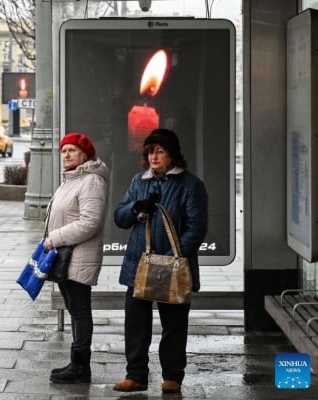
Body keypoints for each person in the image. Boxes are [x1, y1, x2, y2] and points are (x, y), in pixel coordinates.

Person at [112, 128, 208, 394]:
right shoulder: (138, 181)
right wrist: (135, 207)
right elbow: (119, 218)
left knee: (174, 324)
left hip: (172, 267)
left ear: (173, 155)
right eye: (150, 151)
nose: (154, 156)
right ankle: (136, 375)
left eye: (160, 151)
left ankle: (173, 376)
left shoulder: (190, 185)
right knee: (136, 323)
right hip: (139, 266)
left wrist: (169, 259)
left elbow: (196, 228)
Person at [44, 132, 109, 384]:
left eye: (72, 150)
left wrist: (55, 237)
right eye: (63, 151)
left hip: (78, 256)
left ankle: (81, 367)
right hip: (65, 256)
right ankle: (76, 363)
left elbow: (90, 222)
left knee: (80, 310)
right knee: (74, 309)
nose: (66, 155)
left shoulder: (91, 180)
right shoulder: (71, 179)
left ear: (86, 154)